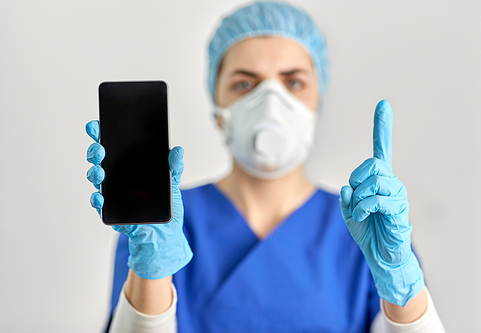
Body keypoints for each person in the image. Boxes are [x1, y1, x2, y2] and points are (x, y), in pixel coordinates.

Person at [86, 2, 446, 332]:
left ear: (318, 99)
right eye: (245, 83)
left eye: (293, 82)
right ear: (217, 106)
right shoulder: (160, 225)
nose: (271, 103)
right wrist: (151, 275)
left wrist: (402, 287)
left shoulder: (366, 224)